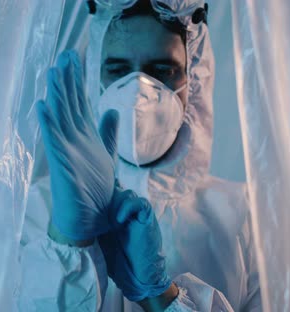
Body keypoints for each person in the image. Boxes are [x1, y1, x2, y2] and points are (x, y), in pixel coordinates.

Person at [19, 0, 261, 311]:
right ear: (96, 74)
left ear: (195, 77)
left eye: (162, 70)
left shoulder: (244, 220)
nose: (137, 91)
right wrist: (66, 241)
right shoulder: (36, 211)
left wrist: (161, 296)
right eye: (118, 70)